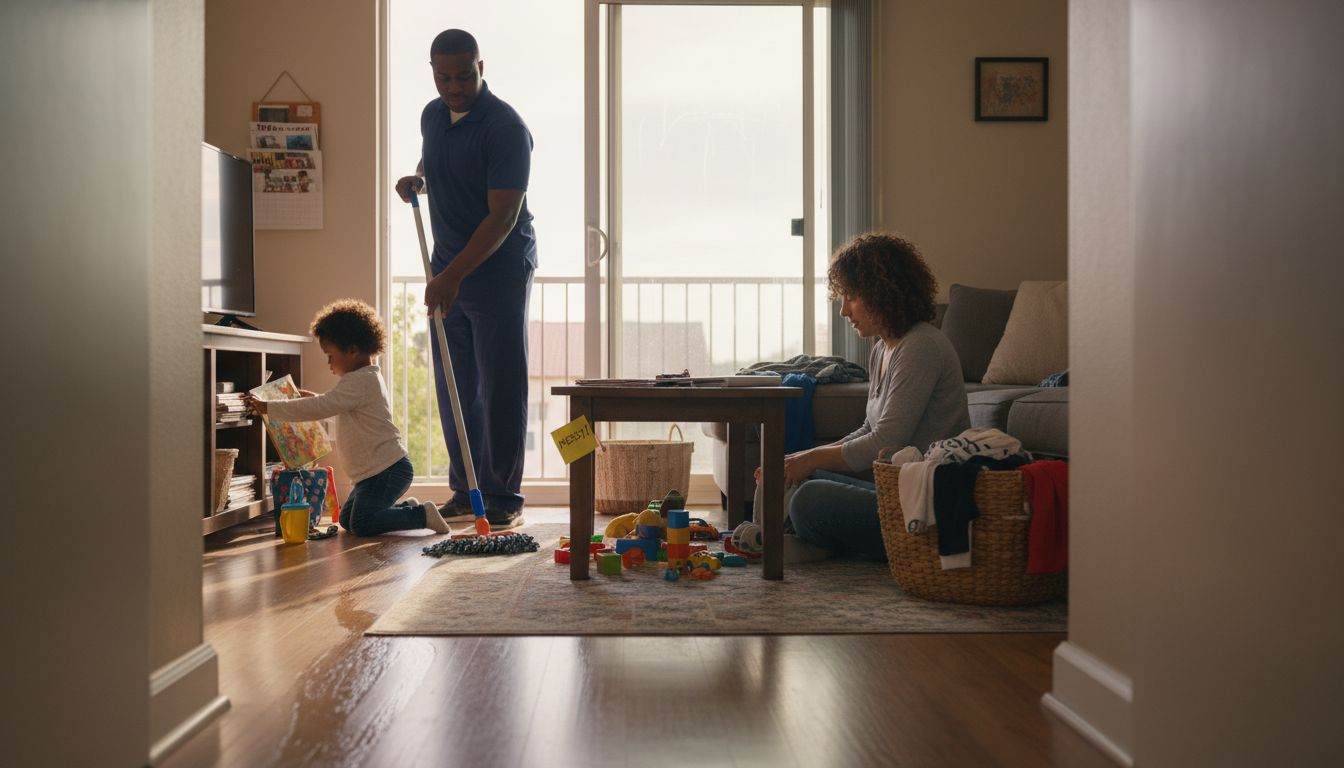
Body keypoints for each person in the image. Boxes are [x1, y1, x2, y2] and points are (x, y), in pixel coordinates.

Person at [395, 28, 535, 528]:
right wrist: (419, 179)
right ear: (433, 72)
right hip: (448, 268)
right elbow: (440, 159)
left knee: (499, 383)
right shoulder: (433, 115)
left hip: (496, 268)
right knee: (456, 384)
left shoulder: (505, 128)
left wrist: (451, 276)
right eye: (442, 76)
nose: (453, 86)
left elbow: (502, 216)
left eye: (463, 75)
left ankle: (502, 497)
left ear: (482, 66)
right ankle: (466, 487)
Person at [762, 232, 971, 560]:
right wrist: (801, 459)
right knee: (800, 479)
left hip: (923, 502)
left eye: (851, 297)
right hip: (895, 493)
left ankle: (810, 537)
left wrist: (810, 459)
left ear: (881, 294)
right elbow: (867, 430)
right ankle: (811, 537)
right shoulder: (882, 349)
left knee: (809, 499)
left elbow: (887, 440)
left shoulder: (921, 346)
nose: (844, 311)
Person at [245, 299, 451, 537]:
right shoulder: (363, 379)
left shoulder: (360, 381)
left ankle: (422, 515)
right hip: (373, 474)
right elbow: (341, 410)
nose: (329, 363)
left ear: (352, 350)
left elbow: (323, 407)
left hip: (387, 471)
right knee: (348, 520)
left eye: (330, 356)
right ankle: (406, 509)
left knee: (362, 523)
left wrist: (272, 408)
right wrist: (317, 398)